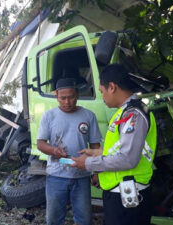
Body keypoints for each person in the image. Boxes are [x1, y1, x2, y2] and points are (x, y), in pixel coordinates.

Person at [71, 64, 157, 225]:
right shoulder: (124, 112)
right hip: (120, 194)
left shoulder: (133, 114)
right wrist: (96, 153)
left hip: (128, 197)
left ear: (112, 87)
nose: (102, 96)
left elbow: (128, 159)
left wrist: (89, 163)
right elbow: (121, 148)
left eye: (102, 91)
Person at [37, 78, 102, 225]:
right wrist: (54, 150)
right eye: (63, 98)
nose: (67, 102)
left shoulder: (88, 116)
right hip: (56, 175)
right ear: (57, 97)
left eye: (71, 97)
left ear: (77, 95)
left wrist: (97, 171)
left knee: (84, 219)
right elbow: (40, 144)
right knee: (54, 219)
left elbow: (95, 147)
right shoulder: (49, 116)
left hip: (81, 176)